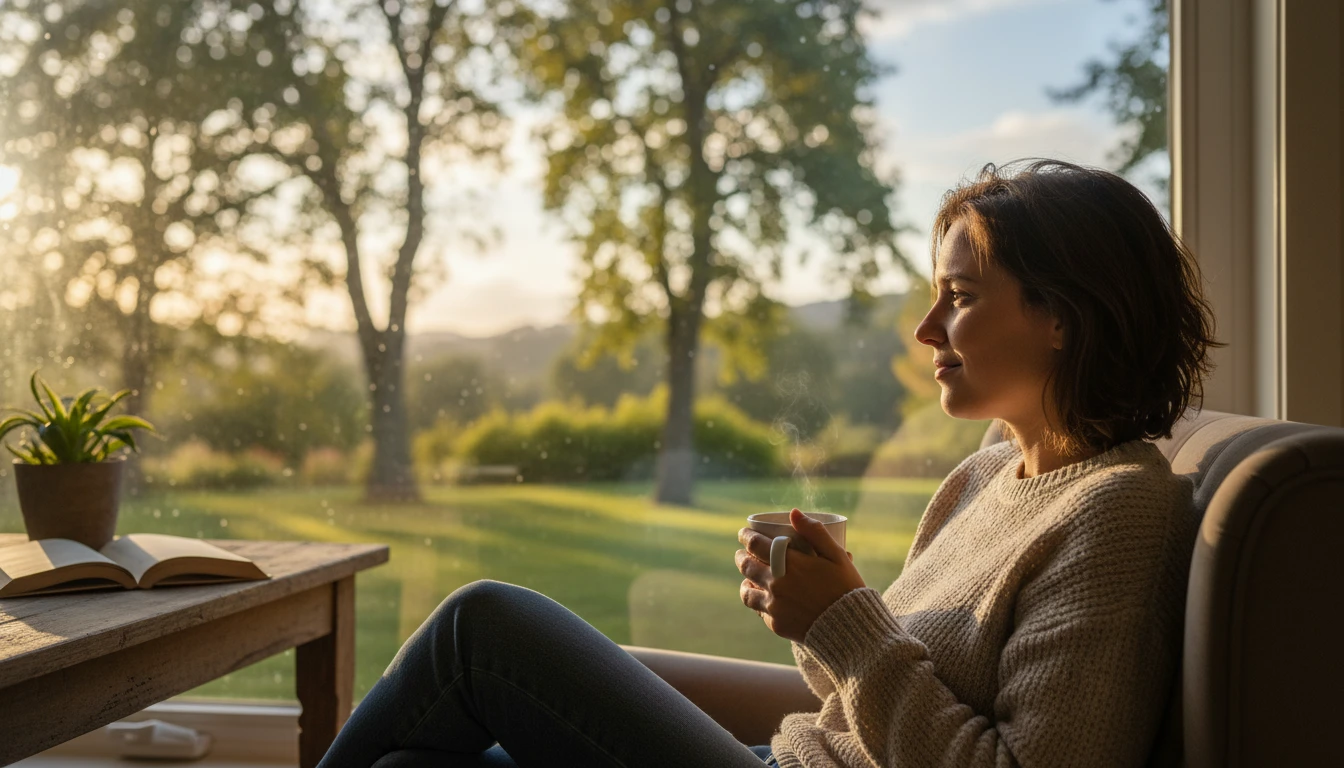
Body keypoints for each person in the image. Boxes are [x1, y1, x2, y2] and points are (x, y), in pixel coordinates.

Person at [316, 159, 1217, 768]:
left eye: (961, 297)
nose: (926, 329)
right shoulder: (987, 474)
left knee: (484, 627)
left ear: (1063, 316)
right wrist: (820, 614)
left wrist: (849, 624)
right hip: (786, 755)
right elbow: (867, 703)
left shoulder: (1117, 511)